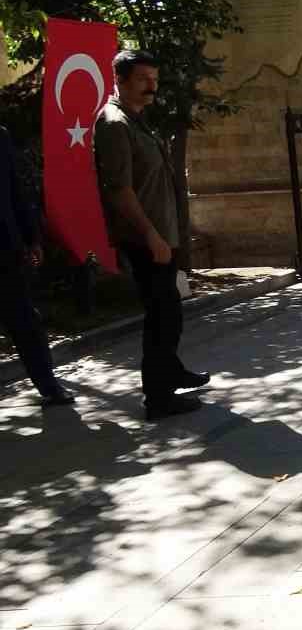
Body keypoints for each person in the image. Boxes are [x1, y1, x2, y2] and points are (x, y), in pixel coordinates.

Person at [95, 50, 209, 421]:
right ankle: (158, 398)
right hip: (146, 238)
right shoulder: (115, 124)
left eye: (154, 80)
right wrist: (152, 236)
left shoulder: (137, 119)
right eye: (144, 79)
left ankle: (170, 371)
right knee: (160, 315)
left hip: (164, 232)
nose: (152, 87)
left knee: (171, 312)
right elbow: (120, 190)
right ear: (121, 79)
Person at [1, 125, 72, 406]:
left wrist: (32, 239)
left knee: (26, 322)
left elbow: (15, 191)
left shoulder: (1, 136)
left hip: (5, 251)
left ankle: (49, 385)